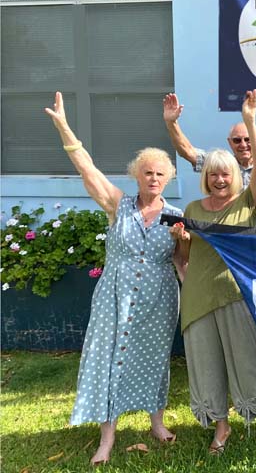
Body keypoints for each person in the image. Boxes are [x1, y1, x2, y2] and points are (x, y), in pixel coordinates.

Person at [45, 92, 183, 466]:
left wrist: (185, 252)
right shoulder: (118, 204)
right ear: (137, 175)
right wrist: (64, 127)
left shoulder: (175, 216)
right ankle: (107, 438)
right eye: (147, 172)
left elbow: (182, 261)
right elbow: (87, 169)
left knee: (155, 359)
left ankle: (157, 423)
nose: (153, 178)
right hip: (115, 295)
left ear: (168, 178)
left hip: (160, 297)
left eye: (160, 173)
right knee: (108, 359)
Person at [169, 90, 256, 455]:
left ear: (236, 176)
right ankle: (221, 427)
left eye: (226, 174)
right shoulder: (192, 208)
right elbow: (185, 256)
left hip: (237, 294)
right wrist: (182, 240)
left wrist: (250, 119)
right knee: (206, 365)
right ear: (207, 177)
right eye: (214, 174)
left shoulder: (248, 202)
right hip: (198, 297)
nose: (220, 180)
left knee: (248, 361)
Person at [163, 92, 256, 228]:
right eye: (237, 140)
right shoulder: (219, 165)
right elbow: (187, 151)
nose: (243, 145)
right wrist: (171, 123)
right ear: (230, 142)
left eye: (248, 139)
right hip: (227, 239)